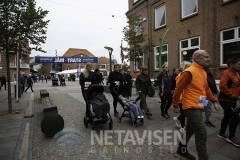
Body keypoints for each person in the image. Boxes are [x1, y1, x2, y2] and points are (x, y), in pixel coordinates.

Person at [172, 50, 220, 160]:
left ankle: (181, 149)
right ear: (197, 58)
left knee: (189, 130)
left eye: (208, 57)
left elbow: (206, 88)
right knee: (202, 134)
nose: (209, 59)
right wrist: (175, 104)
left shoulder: (203, 72)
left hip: (199, 105)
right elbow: (178, 89)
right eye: (206, 57)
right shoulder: (189, 72)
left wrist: (214, 101)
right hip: (191, 107)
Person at [217, 57, 240, 147]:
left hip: (234, 99)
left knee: (227, 116)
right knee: (235, 116)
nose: (239, 65)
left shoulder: (236, 73)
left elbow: (237, 86)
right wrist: (232, 95)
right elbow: (222, 87)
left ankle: (221, 133)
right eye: (238, 64)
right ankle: (231, 137)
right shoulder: (226, 73)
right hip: (225, 99)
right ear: (231, 65)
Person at [173, 63, 191, 133]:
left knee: (186, 113)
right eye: (188, 66)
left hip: (187, 97)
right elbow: (179, 88)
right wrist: (179, 99)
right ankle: (182, 126)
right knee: (184, 113)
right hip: (182, 98)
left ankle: (177, 118)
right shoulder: (180, 76)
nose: (190, 68)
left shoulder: (189, 75)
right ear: (184, 67)